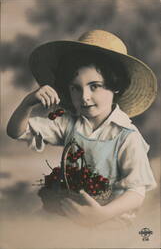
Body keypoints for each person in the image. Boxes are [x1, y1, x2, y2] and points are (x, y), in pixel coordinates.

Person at [7, 30, 157, 228]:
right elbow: (16, 131)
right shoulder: (70, 123)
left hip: (110, 221)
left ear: (115, 86)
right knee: (24, 229)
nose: (84, 97)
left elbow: (137, 192)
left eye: (94, 86)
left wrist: (101, 214)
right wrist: (27, 103)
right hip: (69, 212)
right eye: (75, 88)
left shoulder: (127, 136)